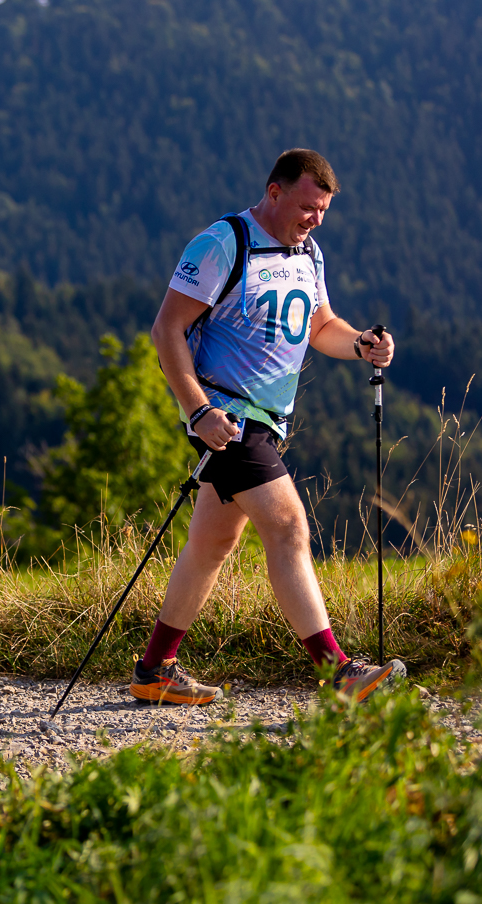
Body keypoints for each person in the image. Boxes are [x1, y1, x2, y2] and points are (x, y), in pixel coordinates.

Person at [138, 149, 406, 705]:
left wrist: (360, 345)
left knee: (213, 541)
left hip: (266, 419)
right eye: (308, 207)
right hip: (227, 417)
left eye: (324, 211)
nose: (315, 220)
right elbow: (166, 330)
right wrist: (198, 411)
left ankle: (154, 669)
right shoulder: (222, 244)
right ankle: (337, 672)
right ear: (275, 191)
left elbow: (321, 326)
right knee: (287, 526)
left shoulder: (308, 253)